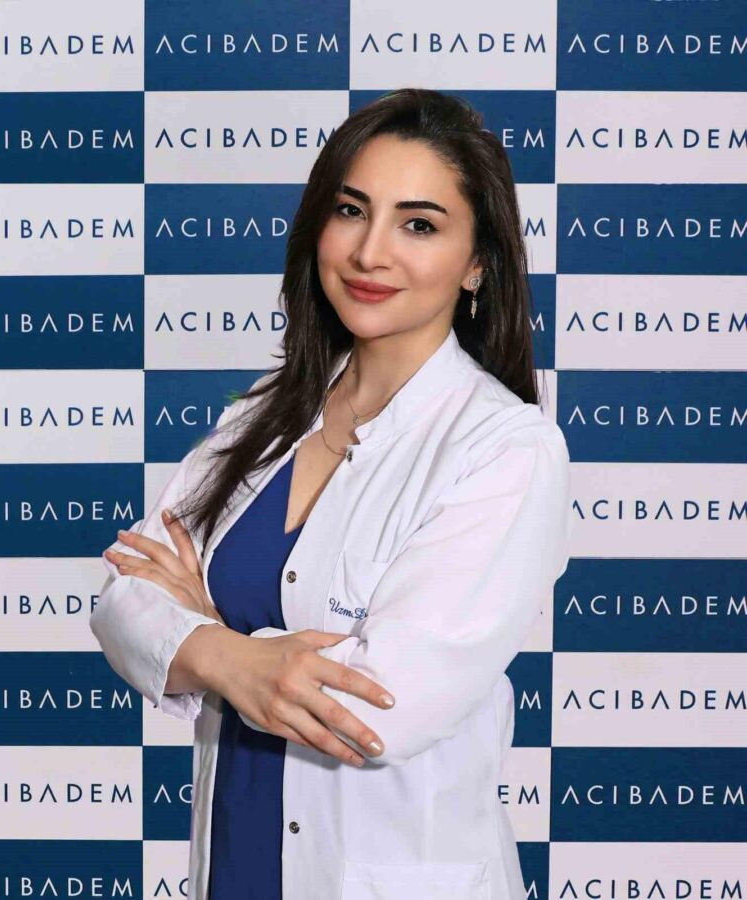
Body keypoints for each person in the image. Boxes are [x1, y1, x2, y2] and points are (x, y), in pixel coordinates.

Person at [90, 88, 572, 900]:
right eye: (351, 211)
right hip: (234, 872)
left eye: (419, 225)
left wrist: (202, 638)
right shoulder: (263, 413)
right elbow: (123, 594)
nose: (370, 252)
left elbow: (379, 709)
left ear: (478, 263)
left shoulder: (506, 448)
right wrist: (236, 658)